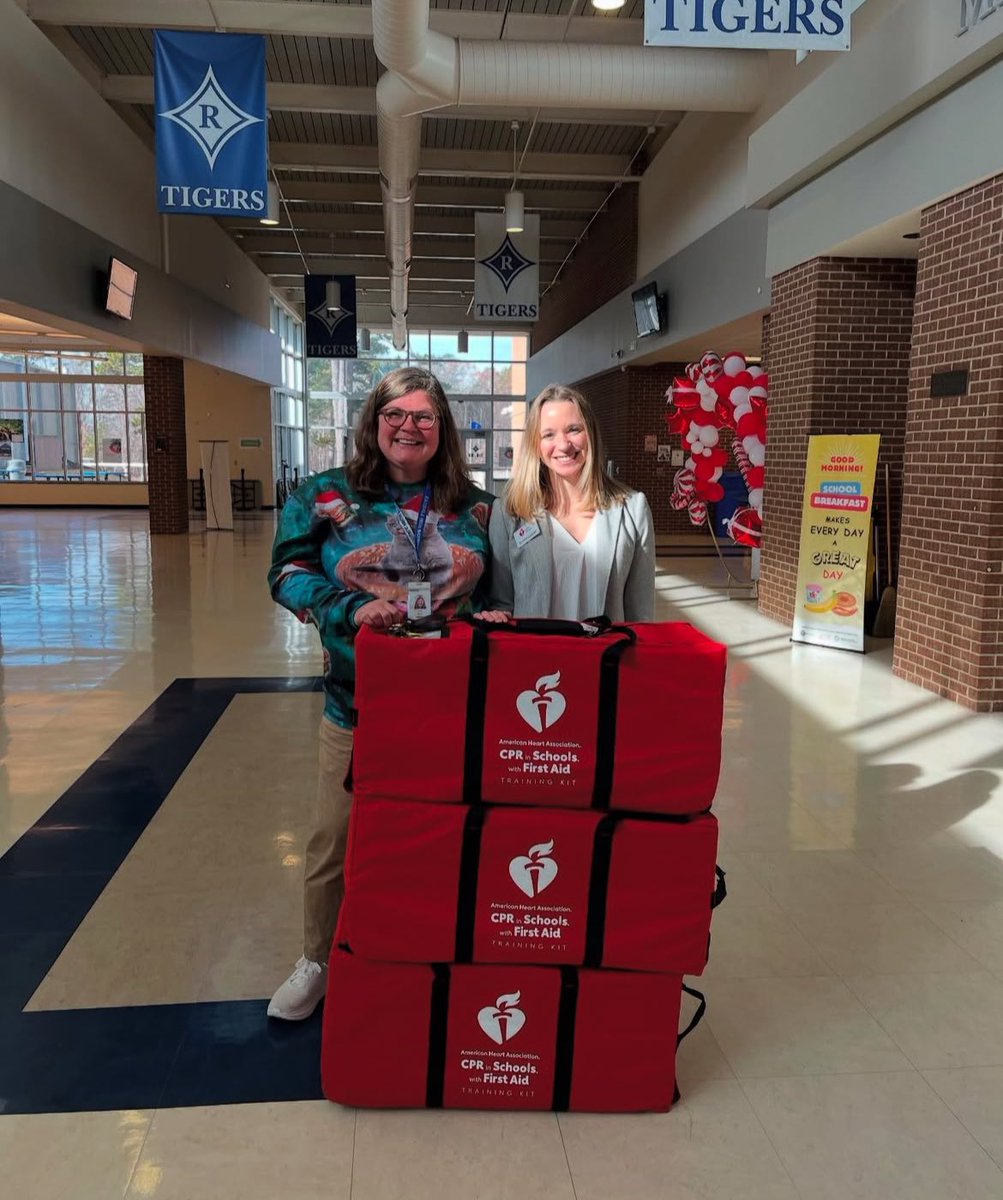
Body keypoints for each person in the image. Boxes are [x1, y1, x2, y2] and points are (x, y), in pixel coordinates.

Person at [267, 366, 494, 1019]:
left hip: (451, 707)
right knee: (333, 840)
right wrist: (345, 609)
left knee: (444, 835)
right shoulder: (323, 494)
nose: (408, 427)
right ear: (374, 423)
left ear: (441, 430)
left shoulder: (475, 504)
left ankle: (433, 955)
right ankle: (317, 960)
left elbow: (495, 591)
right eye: (395, 414)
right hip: (357, 703)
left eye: (424, 416)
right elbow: (286, 573)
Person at [486, 384, 655, 622]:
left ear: (591, 434)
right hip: (536, 656)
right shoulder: (509, 512)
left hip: (605, 657)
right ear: (536, 444)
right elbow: (502, 603)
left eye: (573, 429)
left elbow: (641, 614)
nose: (564, 445)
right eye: (549, 434)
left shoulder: (633, 510)